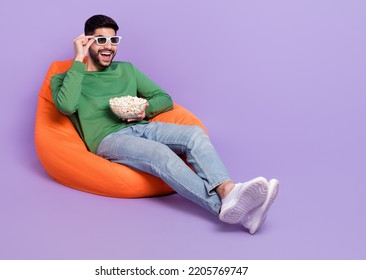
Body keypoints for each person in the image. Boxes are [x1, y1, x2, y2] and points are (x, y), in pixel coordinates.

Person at [51, 14, 280, 234]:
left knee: (194, 134)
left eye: (114, 40)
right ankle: (227, 209)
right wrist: (78, 60)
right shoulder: (66, 77)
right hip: (108, 139)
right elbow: (67, 107)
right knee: (160, 154)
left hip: (143, 126)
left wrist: (144, 109)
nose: (108, 46)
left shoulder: (126, 69)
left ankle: (229, 190)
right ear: (87, 41)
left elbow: (164, 98)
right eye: (101, 40)